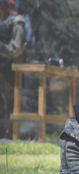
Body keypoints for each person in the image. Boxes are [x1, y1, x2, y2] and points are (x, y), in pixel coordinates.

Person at [0, 0, 25, 136]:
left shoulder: (16, 22)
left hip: (11, 73)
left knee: (10, 105)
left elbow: (16, 49)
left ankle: (10, 134)